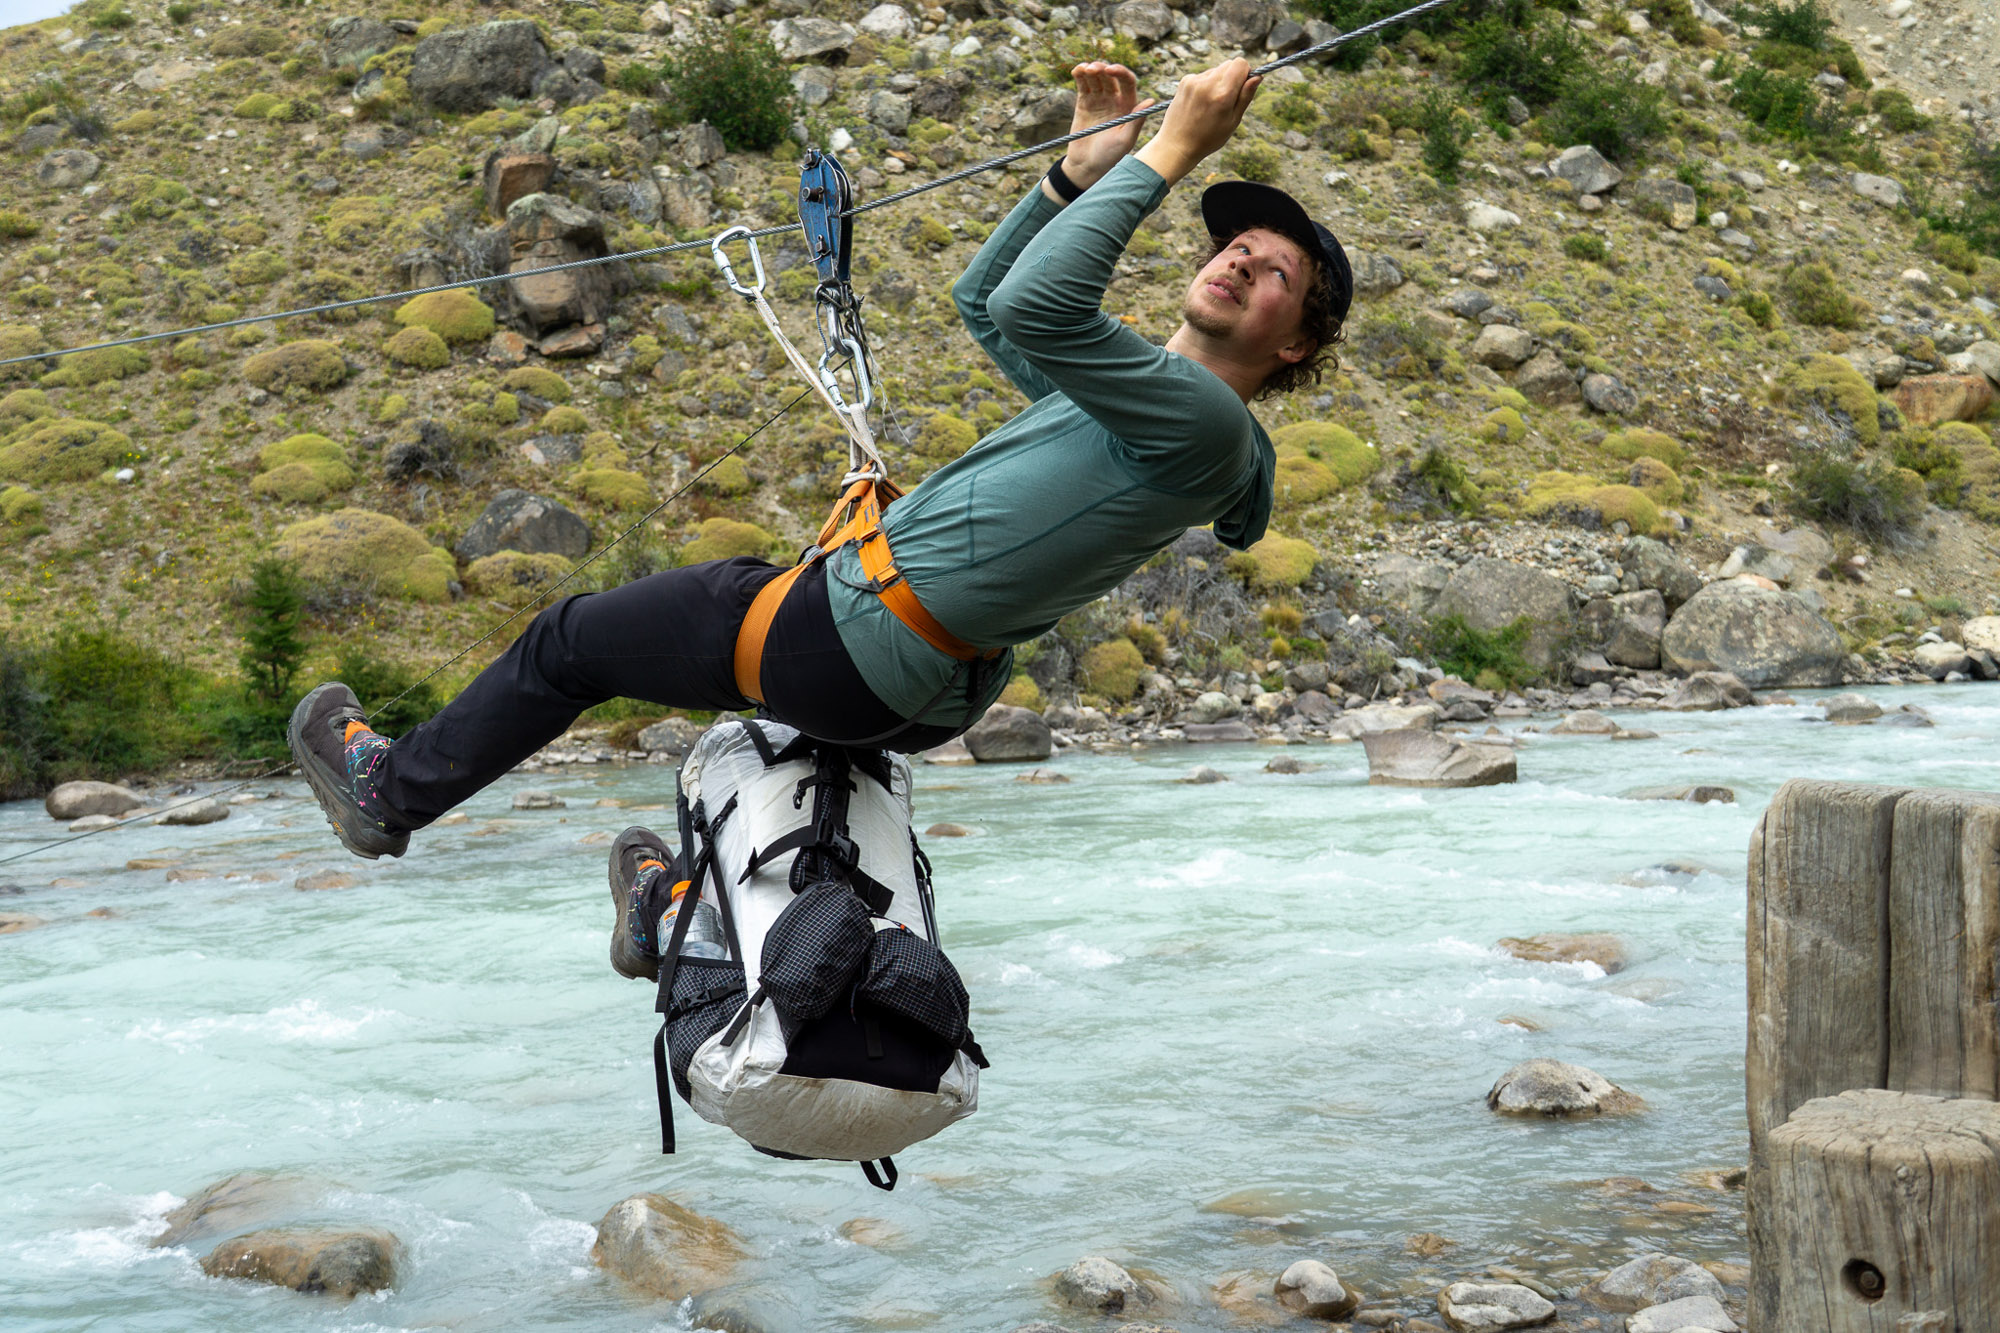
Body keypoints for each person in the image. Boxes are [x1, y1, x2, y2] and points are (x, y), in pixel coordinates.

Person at [289, 56, 1354, 978]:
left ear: (1293, 345)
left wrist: (1165, 151)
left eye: (1274, 274)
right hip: (918, 688)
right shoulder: (1130, 400)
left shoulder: (1202, 421)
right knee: (767, 756)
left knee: (571, 642)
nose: (1238, 259)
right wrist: (1072, 173)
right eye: (1235, 246)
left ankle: (389, 792)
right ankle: (684, 918)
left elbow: (1037, 305)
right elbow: (986, 300)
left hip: (860, 643)